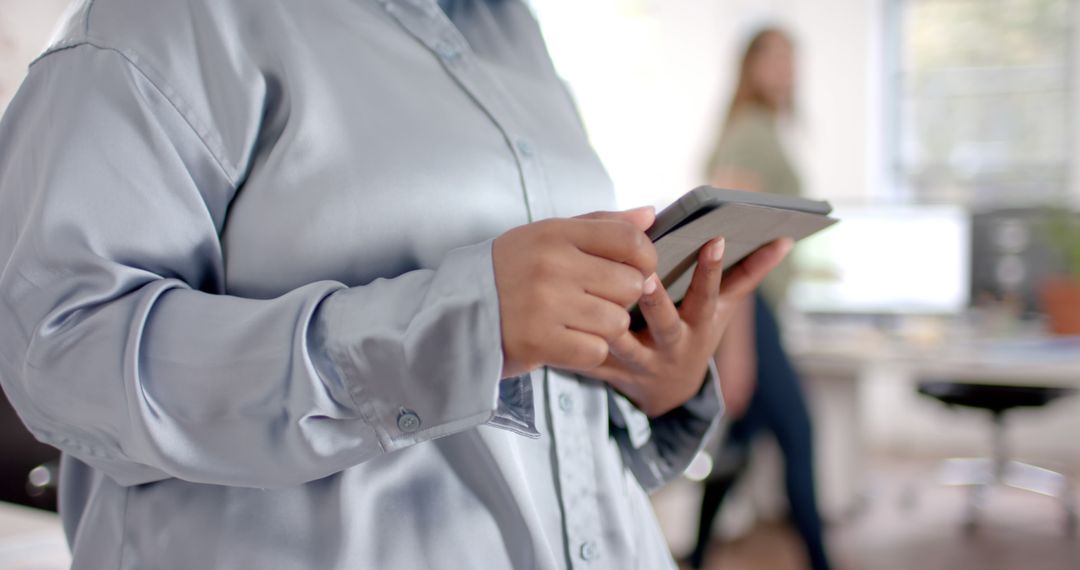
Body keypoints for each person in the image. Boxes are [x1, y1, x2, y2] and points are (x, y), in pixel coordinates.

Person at [0, 1, 791, 568]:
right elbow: (64, 356)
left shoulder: (515, 33)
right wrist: (447, 329)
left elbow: (532, 389)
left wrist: (655, 378)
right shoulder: (166, 23)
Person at [687, 28, 833, 570]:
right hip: (755, 308)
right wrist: (737, 348)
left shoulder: (766, 129)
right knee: (798, 431)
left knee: (742, 442)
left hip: (766, 304)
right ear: (749, 66)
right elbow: (727, 240)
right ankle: (822, 560)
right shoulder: (749, 132)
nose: (786, 69)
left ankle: (697, 556)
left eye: (792, 59)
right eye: (773, 58)